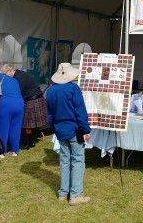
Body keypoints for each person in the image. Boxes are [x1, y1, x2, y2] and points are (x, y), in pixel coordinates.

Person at [46, 63, 91, 206]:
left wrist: (54, 128)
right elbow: (80, 111)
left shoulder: (51, 91)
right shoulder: (73, 88)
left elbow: (50, 115)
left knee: (64, 160)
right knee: (78, 160)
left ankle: (63, 192)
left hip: (60, 129)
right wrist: (86, 129)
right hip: (74, 129)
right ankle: (76, 195)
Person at [2, 63, 49, 149]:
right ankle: (31, 140)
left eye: (5, 73)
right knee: (29, 124)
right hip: (34, 98)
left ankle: (28, 143)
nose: (4, 76)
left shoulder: (19, 78)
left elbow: (18, 92)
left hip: (33, 99)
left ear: (10, 71)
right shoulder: (18, 75)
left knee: (26, 124)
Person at [0, 67, 25, 157]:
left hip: (6, 104)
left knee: (3, 128)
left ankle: (2, 151)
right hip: (20, 103)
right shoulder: (14, 80)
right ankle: (14, 151)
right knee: (16, 127)